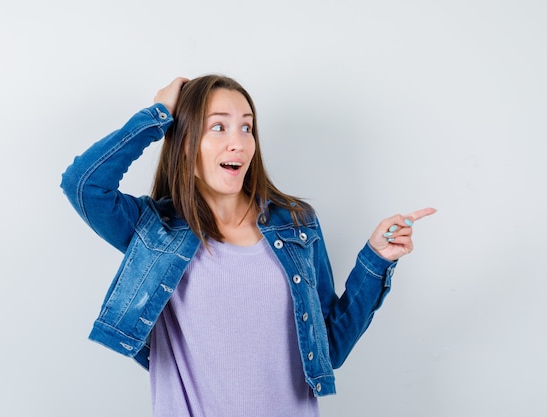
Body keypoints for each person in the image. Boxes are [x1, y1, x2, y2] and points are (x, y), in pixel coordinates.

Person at [61, 75, 436, 417]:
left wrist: (375, 262)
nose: (237, 142)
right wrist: (158, 115)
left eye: (246, 127)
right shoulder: (156, 230)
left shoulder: (296, 224)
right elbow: (84, 184)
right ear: (186, 142)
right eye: (218, 127)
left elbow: (330, 348)